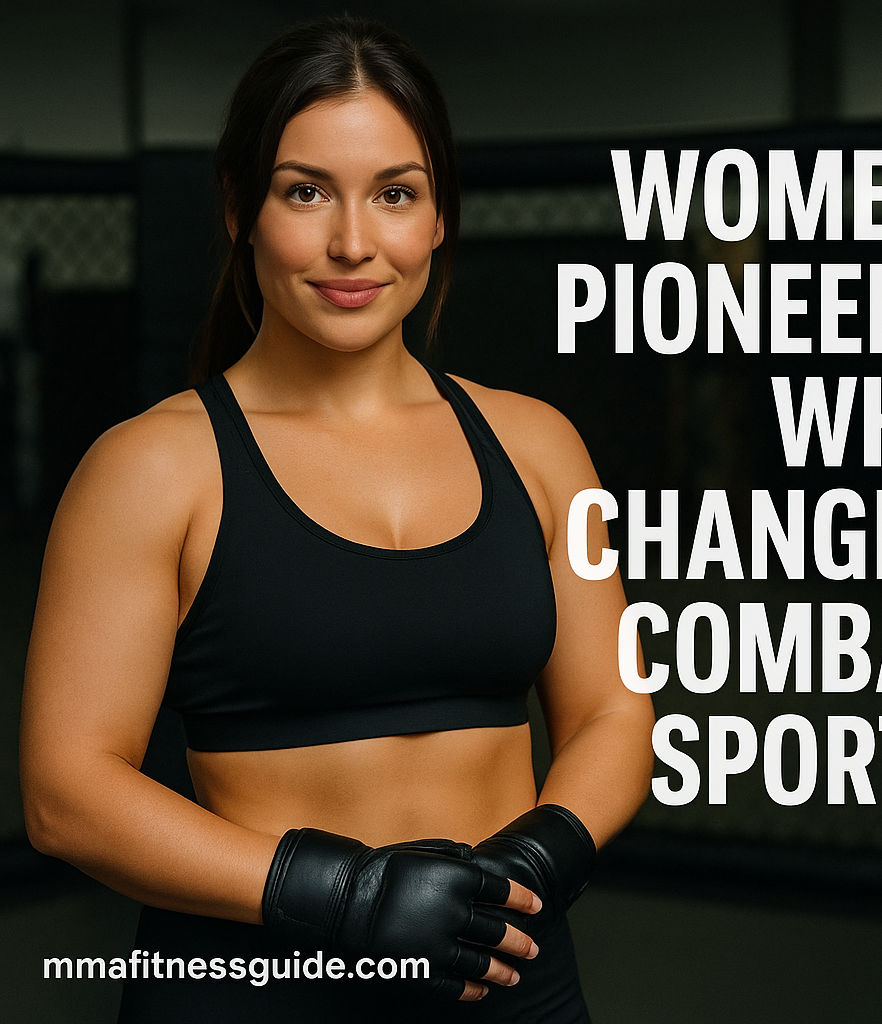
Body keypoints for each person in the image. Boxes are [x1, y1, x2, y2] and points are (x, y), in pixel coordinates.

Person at [19, 16, 654, 1023]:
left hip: (507, 974)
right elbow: (67, 795)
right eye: (305, 191)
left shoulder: (538, 446)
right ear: (240, 209)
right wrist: (348, 899)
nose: (353, 241)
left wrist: (531, 860)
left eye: (394, 193)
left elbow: (612, 714)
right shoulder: (151, 466)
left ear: (439, 215)